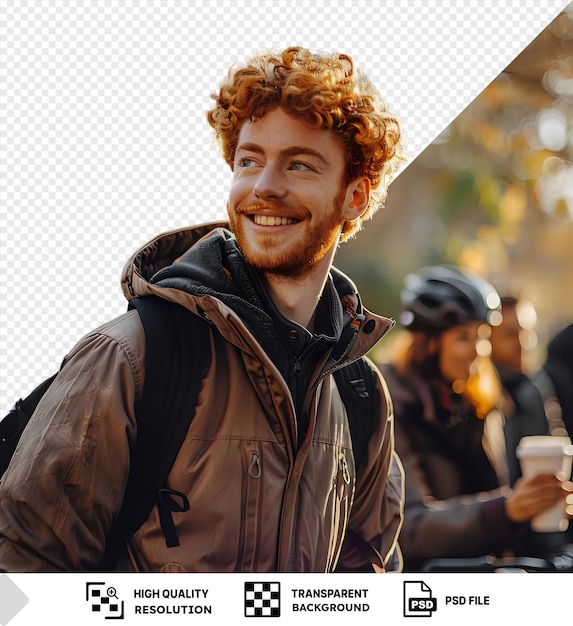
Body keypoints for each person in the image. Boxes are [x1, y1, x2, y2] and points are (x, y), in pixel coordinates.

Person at [0, 47, 405, 573]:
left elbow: (368, 583)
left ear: (355, 196)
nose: (263, 186)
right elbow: (22, 574)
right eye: (249, 160)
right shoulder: (132, 356)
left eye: (299, 164)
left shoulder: (360, 394)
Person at [379, 265, 572, 572]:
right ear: (428, 343)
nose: (478, 350)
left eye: (482, 336)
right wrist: (506, 510)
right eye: (463, 338)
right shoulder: (390, 407)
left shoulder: (481, 405)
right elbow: (408, 528)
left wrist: (540, 506)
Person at [489, 295, 549, 486]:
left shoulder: (536, 386)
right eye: (510, 334)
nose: (522, 343)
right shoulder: (481, 395)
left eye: (526, 331)